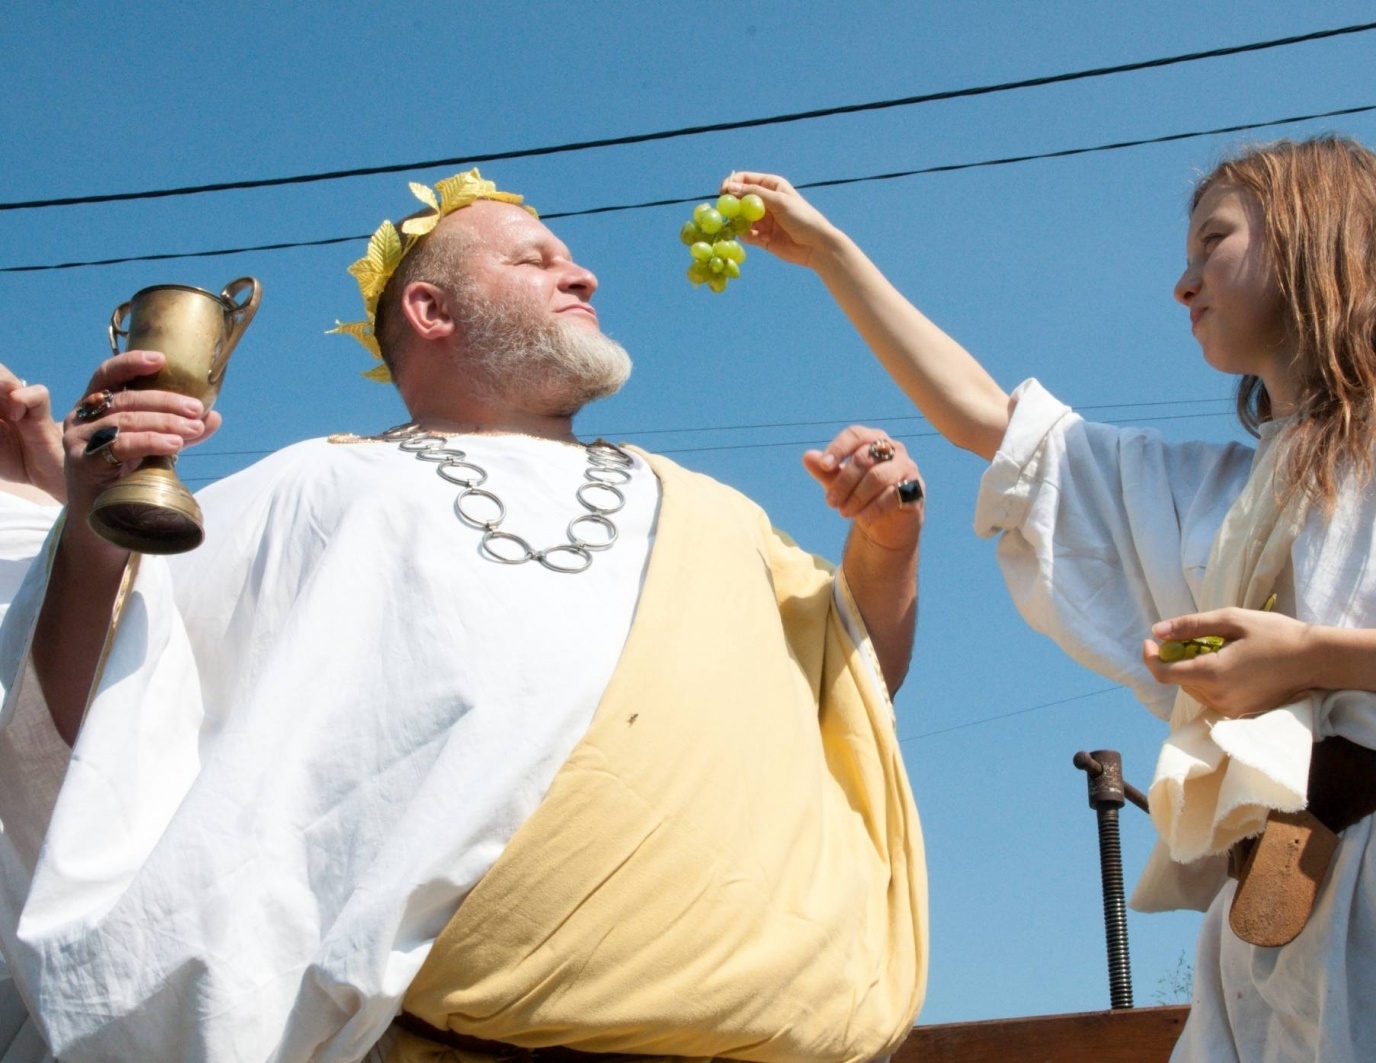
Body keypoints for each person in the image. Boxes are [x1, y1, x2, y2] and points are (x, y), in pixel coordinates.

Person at [0, 170, 929, 1062]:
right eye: (532, 259)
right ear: (431, 311)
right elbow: (108, 729)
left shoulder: (714, 512)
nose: (584, 273)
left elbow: (853, 692)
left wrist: (888, 549)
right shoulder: (320, 489)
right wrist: (95, 528)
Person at [729, 137, 1376, 1060]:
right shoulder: (1216, 495)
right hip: (1278, 923)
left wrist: (1312, 656)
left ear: (1312, 236)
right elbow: (997, 425)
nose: (1184, 285)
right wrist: (829, 251)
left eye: (1212, 244)